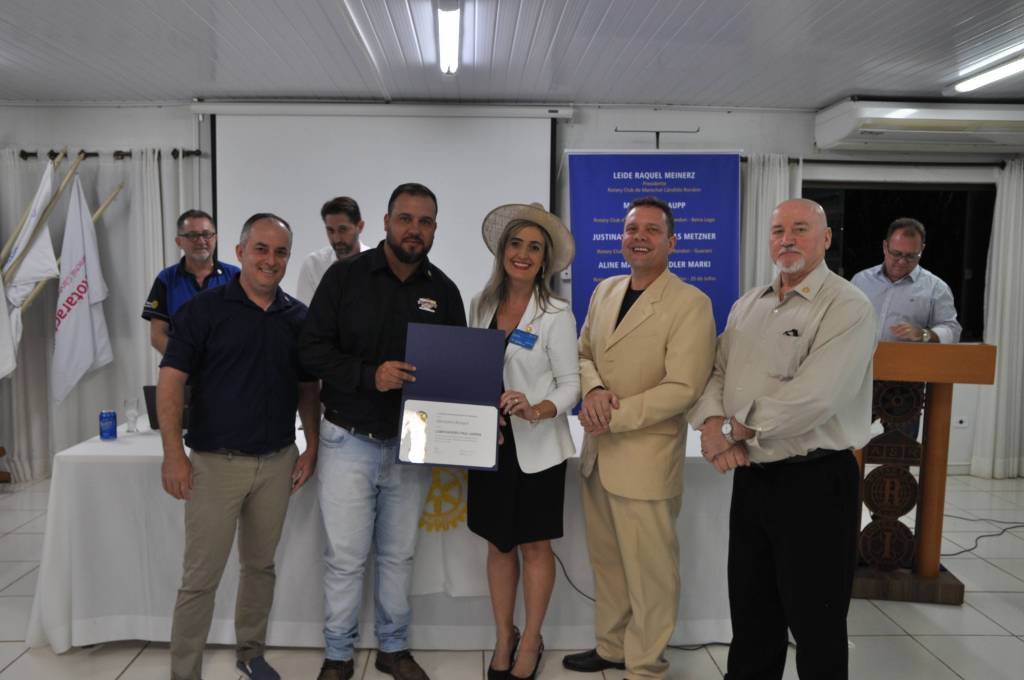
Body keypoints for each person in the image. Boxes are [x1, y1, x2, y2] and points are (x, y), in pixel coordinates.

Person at [689, 198, 876, 680]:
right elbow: (716, 372)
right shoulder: (748, 304)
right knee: (752, 618)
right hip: (753, 477)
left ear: (826, 238)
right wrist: (711, 426)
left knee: (817, 623)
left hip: (816, 481)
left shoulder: (847, 306)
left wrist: (732, 430)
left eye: (800, 229)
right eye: (777, 231)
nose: (787, 239)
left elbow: (816, 397)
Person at [299, 183, 466, 680]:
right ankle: (338, 654)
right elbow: (311, 349)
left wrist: (474, 424)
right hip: (346, 438)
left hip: (412, 444)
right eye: (406, 219)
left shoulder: (444, 292)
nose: (415, 229)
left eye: (425, 221)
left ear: (434, 229)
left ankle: (394, 649)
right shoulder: (344, 277)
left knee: (398, 556)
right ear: (387, 222)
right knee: (345, 558)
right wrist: (368, 375)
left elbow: (458, 372)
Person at [157, 213, 320, 680]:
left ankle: (251, 653)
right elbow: (171, 383)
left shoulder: (297, 317)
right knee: (200, 578)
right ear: (240, 252)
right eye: (261, 249)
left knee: (260, 566)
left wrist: (311, 446)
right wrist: (173, 454)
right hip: (215, 464)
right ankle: (184, 672)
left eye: (281, 252)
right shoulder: (202, 311)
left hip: (277, 462)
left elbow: (308, 388)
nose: (271, 260)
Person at [563, 196, 716, 680]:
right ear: (621, 238)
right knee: (609, 563)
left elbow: (684, 387)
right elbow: (582, 353)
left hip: (646, 457)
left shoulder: (690, 303)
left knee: (650, 572)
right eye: (632, 229)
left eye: (652, 230)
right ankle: (612, 648)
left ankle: (646, 665)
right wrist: (594, 391)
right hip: (599, 454)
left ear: (672, 242)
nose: (639, 237)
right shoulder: (605, 290)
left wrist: (613, 415)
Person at [467, 203, 580, 680]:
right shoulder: (480, 305)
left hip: (538, 448)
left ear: (544, 260)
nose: (523, 254)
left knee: (534, 546)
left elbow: (571, 384)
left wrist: (536, 409)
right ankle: (503, 637)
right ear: (502, 250)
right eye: (516, 244)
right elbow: (471, 371)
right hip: (489, 445)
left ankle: (531, 640)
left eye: (535, 247)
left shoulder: (556, 313)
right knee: (498, 545)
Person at [142, 209, 240, 355]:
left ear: (216, 238)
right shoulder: (166, 279)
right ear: (179, 242)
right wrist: (182, 361)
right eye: (192, 235)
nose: (201, 241)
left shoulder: (235, 276)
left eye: (206, 234)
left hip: (228, 365)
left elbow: (247, 326)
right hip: (182, 367)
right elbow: (157, 336)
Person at [851, 217, 962, 344]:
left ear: (922, 250)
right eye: (896, 254)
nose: (902, 261)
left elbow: (952, 330)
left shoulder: (936, 288)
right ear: (885, 247)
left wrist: (923, 334)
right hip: (860, 355)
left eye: (911, 256)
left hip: (908, 357)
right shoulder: (860, 281)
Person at [295, 196, 371, 304]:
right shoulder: (313, 264)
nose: (336, 239)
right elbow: (305, 311)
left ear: (360, 226)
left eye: (342, 229)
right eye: (330, 230)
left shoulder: (377, 263)